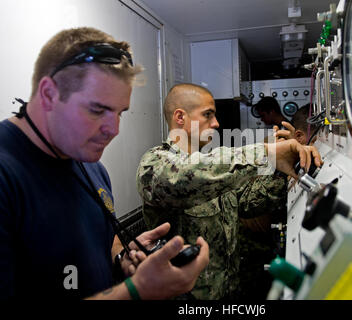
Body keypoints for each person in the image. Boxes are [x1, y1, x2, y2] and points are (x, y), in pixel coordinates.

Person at [0, 27, 209, 300]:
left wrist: (121, 258)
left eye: (120, 112)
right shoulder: (7, 175)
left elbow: (102, 238)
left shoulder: (91, 166)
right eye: (98, 110)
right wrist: (137, 291)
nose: (114, 129)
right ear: (49, 94)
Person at [137, 83, 321, 299]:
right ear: (180, 117)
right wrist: (266, 153)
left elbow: (249, 201)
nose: (216, 124)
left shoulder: (218, 168)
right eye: (208, 115)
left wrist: (286, 169)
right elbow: (187, 175)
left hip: (228, 292)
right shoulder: (155, 163)